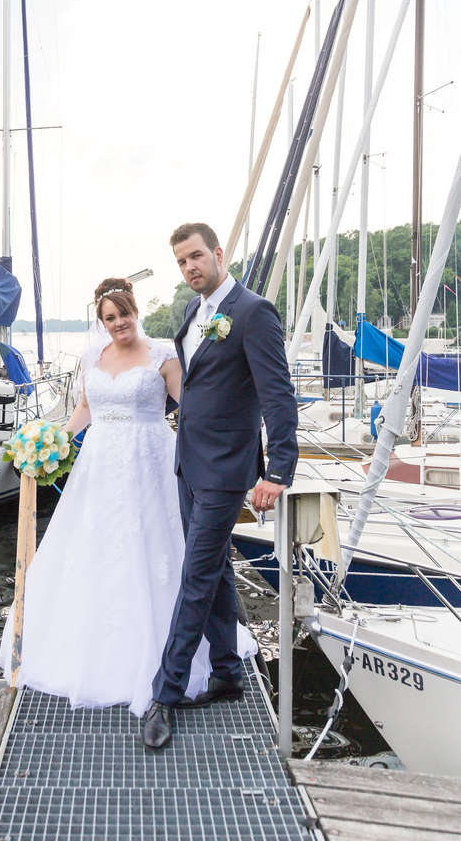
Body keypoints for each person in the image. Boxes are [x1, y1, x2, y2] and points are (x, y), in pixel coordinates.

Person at [0, 276, 256, 715]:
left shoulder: (163, 355)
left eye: (124, 315)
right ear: (102, 321)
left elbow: (193, 410)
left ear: (136, 312)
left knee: (160, 549)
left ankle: (178, 656)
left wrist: (230, 441)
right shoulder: (92, 356)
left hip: (150, 459)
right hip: (99, 464)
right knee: (94, 548)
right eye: (110, 318)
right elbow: (85, 409)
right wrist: (49, 440)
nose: (119, 323)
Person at [143, 223, 298, 749]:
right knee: (216, 573)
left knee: (195, 576)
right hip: (189, 462)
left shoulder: (253, 313)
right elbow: (194, 387)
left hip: (228, 470)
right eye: (182, 262)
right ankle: (229, 671)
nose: (190, 268)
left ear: (218, 253)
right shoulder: (193, 313)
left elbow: (278, 397)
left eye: (196, 257)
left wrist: (278, 471)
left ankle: (166, 693)